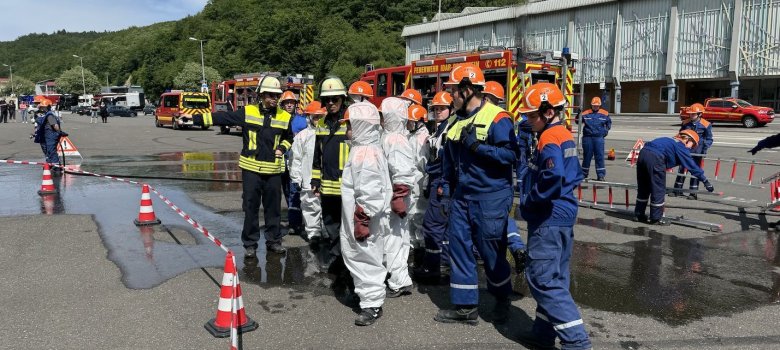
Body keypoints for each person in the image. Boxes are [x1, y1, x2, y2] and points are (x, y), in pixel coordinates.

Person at [436, 64, 516, 325]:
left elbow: (510, 156)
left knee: (491, 251)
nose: (450, 97)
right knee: (459, 248)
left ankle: (503, 299)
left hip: (490, 197)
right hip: (462, 197)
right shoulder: (454, 119)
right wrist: (447, 191)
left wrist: (478, 147)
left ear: (467, 90)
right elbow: (448, 161)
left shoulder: (498, 117)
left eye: (453, 92)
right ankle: (465, 307)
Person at [518, 82, 591, 350]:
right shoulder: (563, 133)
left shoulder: (549, 137)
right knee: (556, 276)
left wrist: (532, 200)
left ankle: (577, 343)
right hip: (564, 211)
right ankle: (542, 334)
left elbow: (553, 175)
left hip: (549, 214)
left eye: (532, 116)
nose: (528, 120)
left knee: (543, 278)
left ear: (548, 112)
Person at [185, 76, 293, 256]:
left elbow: (289, 138)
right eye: (271, 95)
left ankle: (274, 240)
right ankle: (250, 244)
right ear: (261, 95)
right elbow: (222, 117)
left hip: (273, 171)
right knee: (250, 207)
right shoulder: (248, 112)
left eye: (277, 95)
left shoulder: (285, 116)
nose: (274, 98)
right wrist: (194, 118)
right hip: (251, 170)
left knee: (273, 209)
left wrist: (282, 148)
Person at [339, 101, 392, 326]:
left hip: (361, 216)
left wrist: (363, 218)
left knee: (364, 256)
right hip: (362, 214)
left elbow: (369, 190)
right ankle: (367, 296)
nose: (347, 130)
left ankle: (372, 304)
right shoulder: (368, 148)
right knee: (365, 254)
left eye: (349, 125)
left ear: (360, 126)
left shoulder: (364, 153)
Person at [484, 80, 527, 270]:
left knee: (496, 219)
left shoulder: (497, 119)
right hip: (501, 181)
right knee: (503, 218)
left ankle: (501, 256)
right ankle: (517, 248)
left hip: (493, 182)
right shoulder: (504, 118)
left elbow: (509, 153)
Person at [311, 77, 351, 269]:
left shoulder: (351, 123)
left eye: (335, 99)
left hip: (348, 186)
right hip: (327, 185)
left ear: (343, 99)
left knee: (349, 225)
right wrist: (315, 179)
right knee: (331, 223)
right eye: (327, 100)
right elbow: (316, 155)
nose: (331, 103)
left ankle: (349, 259)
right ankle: (337, 257)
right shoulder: (322, 124)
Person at [635, 130, 714, 225]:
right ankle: (656, 218)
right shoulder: (680, 146)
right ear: (688, 140)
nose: (691, 148)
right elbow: (692, 166)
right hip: (656, 158)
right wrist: (705, 180)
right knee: (658, 189)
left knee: (644, 187)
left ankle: (638, 214)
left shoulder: (669, 140)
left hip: (643, 154)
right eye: (692, 145)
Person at [414, 91, 453, 281]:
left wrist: (442, 184)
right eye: (436, 108)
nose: (438, 111)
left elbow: (447, 160)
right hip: (437, 179)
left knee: (432, 225)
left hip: (442, 180)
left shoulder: (448, 130)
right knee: (443, 228)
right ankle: (443, 265)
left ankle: (433, 267)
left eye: (442, 108)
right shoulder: (439, 129)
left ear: (451, 109)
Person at [380, 97, 416, 298]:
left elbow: (401, 170)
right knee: (398, 238)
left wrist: (399, 196)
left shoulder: (394, 139)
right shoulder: (393, 136)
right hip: (393, 196)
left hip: (393, 198)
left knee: (394, 239)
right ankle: (399, 278)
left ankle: (397, 281)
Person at [290, 101, 326, 242]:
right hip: (308, 179)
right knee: (310, 206)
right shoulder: (303, 136)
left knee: (326, 207)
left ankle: (326, 231)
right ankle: (313, 234)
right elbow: (295, 158)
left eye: (320, 117)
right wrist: (296, 178)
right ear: (309, 117)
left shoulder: (328, 133)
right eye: (316, 117)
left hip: (327, 180)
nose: (318, 120)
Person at [672, 103, 713, 199]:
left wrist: (704, 149)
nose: (691, 115)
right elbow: (681, 135)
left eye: (693, 114)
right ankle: (677, 191)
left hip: (697, 152)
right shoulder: (685, 123)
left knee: (695, 171)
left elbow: (709, 139)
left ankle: (693, 193)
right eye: (690, 114)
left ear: (699, 114)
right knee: (682, 170)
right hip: (685, 150)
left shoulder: (706, 125)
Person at [279, 90, 304, 236]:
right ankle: (293, 218)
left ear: (295, 104)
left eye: (291, 103)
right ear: (282, 105)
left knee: (295, 191)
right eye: (286, 103)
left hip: (296, 161)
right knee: (287, 191)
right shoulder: (279, 119)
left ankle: (296, 223)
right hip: (282, 161)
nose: (289, 105)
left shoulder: (301, 121)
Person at [407, 103, 430, 252]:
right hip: (413, 179)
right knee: (412, 212)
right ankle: (414, 243)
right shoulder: (413, 136)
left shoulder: (423, 138)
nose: (407, 123)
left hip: (419, 180)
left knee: (419, 213)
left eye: (409, 121)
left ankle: (420, 246)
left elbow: (424, 162)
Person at [579, 97, 611, 181]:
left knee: (599, 157)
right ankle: (584, 174)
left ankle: (601, 175)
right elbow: (577, 122)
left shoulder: (605, 113)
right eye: (594, 106)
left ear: (600, 105)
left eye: (597, 106)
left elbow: (609, 123)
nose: (595, 107)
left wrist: (605, 131)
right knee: (587, 156)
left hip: (598, 138)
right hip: (587, 138)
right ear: (591, 105)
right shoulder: (585, 113)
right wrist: (578, 114)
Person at [32, 100, 63, 168]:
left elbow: (55, 125)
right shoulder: (44, 115)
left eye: (43, 107)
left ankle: (56, 166)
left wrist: (59, 132)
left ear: (47, 107)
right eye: (42, 107)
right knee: (47, 151)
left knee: (51, 151)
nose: (42, 108)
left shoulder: (49, 115)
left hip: (51, 135)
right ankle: (49, 163)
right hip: (45, 136)